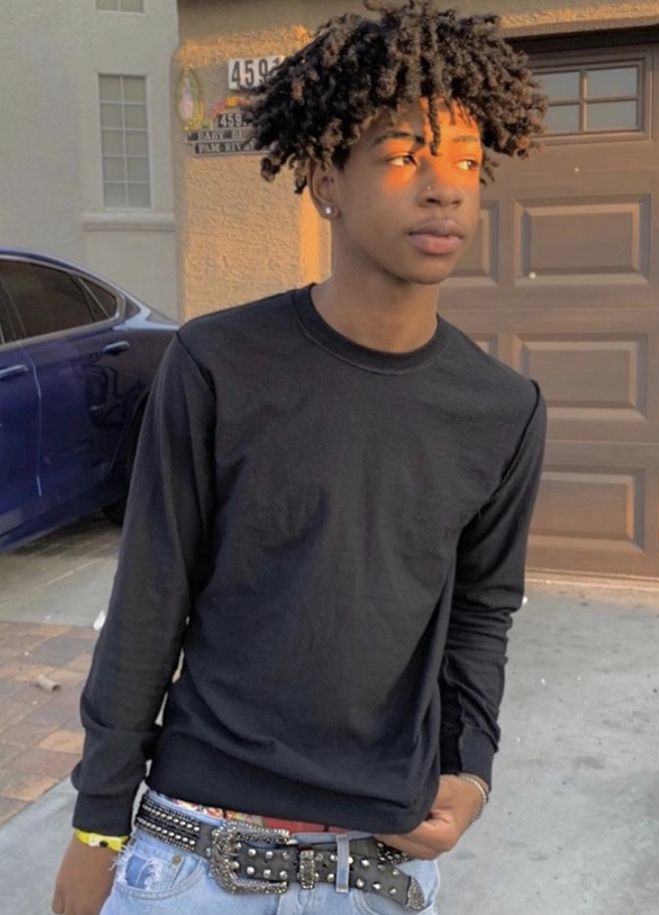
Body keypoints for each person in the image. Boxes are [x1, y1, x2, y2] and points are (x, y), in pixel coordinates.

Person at [52, 1, 548, 912]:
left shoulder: (501, 408)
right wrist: (97, 823)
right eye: (405, 157)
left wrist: (470, 769)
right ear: (326, 176)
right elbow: (149, 598)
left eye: (469, 165)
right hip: (196, 852)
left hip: (381, 870)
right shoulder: (218, 364)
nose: (446, 188)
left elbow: (483, 609)